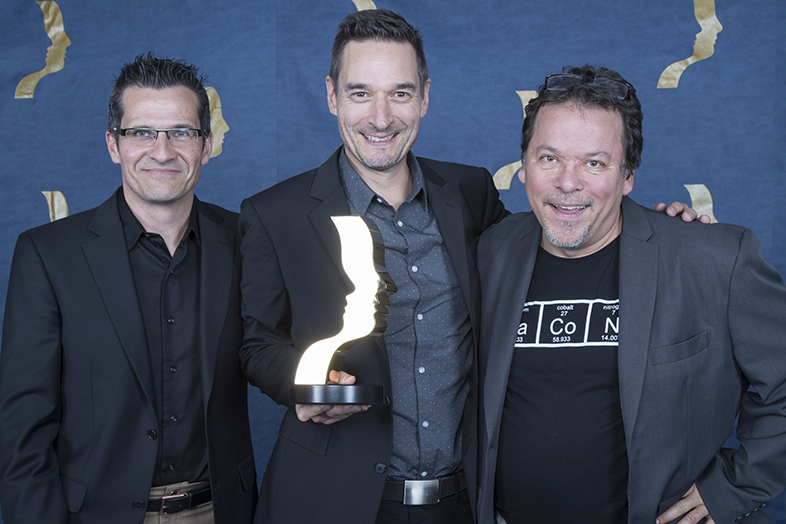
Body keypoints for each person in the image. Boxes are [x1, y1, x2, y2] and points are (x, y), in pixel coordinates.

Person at [475, 64, 786, 524]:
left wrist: (733, 488)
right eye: (549, 158)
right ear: (524, 166)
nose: (568, 182)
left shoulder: (713, 258)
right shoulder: (490, 251)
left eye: (594, 163)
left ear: (627, 176)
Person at [0, 54, 256, 524]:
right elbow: (22, 430)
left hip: (221, 510)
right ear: (113, 144)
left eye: (181, 132)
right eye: (141, 133)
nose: (162, 151)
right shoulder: (48, 254)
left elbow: (278, 349)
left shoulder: (248, 242)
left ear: (206, 144)